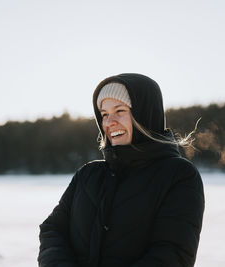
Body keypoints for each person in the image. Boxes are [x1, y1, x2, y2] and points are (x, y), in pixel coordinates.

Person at [38, 73, 205, 267]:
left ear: (145, 114)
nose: (109, 123)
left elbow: (173, 254)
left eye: (120, 111)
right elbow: (53, 230)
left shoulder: (178, 175)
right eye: (104, 114)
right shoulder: (88, 174)